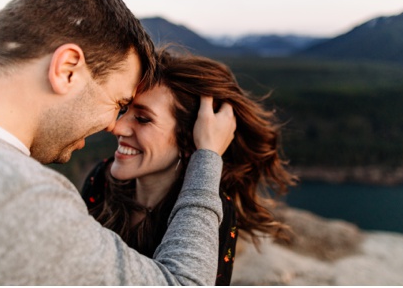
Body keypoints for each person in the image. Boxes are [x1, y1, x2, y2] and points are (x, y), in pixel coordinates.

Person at [0, 0, 237, 285]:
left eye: (141, 116)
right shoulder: (30, 197)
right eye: (119, 102)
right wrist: (208, 158)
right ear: (67, 70)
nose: (114, 126)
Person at [81, 53, 299, 285]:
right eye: (124, 109)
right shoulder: (102, 179)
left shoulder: (212, 212)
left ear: (189, 141)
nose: (116, 127)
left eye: (143, 119)